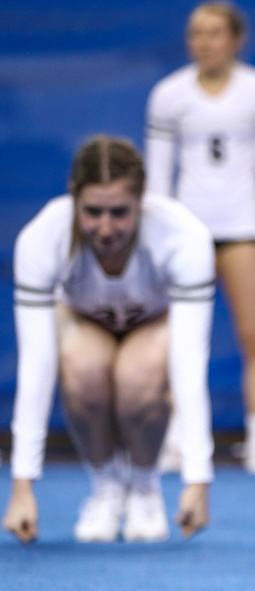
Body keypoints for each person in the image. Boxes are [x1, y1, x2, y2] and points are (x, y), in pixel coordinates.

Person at [3, 136, 215, 545]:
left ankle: (143, 487)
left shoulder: (183, 236)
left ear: (141, 202)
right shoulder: (42, 238)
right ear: (73, 200)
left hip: (152, 326)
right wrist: (21, 489)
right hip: (84, 325)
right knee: (82, 371)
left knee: (139, 376)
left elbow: (188, 365)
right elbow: (37, 366)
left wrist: (198, 479)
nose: (105, 228)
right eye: (92, 212)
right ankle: (105, 488)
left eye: (119, 213)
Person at [145, 1, 255, 474]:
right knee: (179, 340)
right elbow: (158, 175)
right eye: (195, 33)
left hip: (245, 231)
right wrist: (156, 237)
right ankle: (175, 440)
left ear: (235, 39)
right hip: (185, 235)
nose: (203, 42)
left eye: (213, 32)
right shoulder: (168, 95)